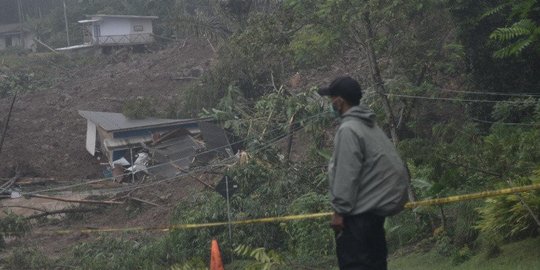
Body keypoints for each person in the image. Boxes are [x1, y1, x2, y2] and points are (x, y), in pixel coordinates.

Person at [318, 76, 409, 270]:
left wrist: (339, 212)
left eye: (331, 99)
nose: (331, 104)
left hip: (356, 221)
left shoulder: (349, 129)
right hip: (374, 217)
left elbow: (346, 174)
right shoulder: (370, 126)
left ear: (339, 101)